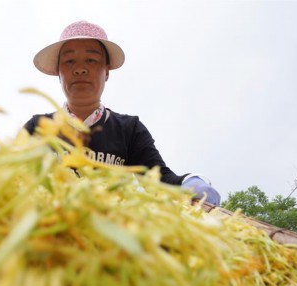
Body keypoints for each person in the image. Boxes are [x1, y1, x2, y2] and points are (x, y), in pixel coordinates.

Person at [23, 20, 221, 206]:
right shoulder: (37, 127)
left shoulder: (129, 129)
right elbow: (11, 176)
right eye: (69, 61)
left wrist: (191, 184)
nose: (80, 69)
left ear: (106, 71)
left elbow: (158, 179)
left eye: (91, 60)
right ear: (59, 72)